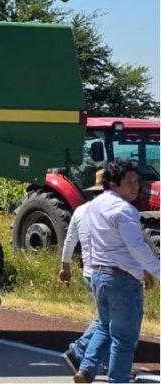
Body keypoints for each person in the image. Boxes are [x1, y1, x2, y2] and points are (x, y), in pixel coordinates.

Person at [75, 160, 160, 384]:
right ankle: (118, 380)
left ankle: (86, 369)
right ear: (113, 184)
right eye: (128, 182)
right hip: (122, 279)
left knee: (104, 326)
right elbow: (137, 248)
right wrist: (156, 271)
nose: (135, 187)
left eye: (136, 181)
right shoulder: (125, 210)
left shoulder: (94, 205)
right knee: (124, 339)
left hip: (99, 274)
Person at [58, 169, 109, 377]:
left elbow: (70, 241)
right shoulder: (109, 211)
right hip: (105, 270)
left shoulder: (80, 211)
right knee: (106, 320)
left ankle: (98, 361)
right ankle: (78, 351)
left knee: (104, 318)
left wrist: (65, 266)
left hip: (88, 271)